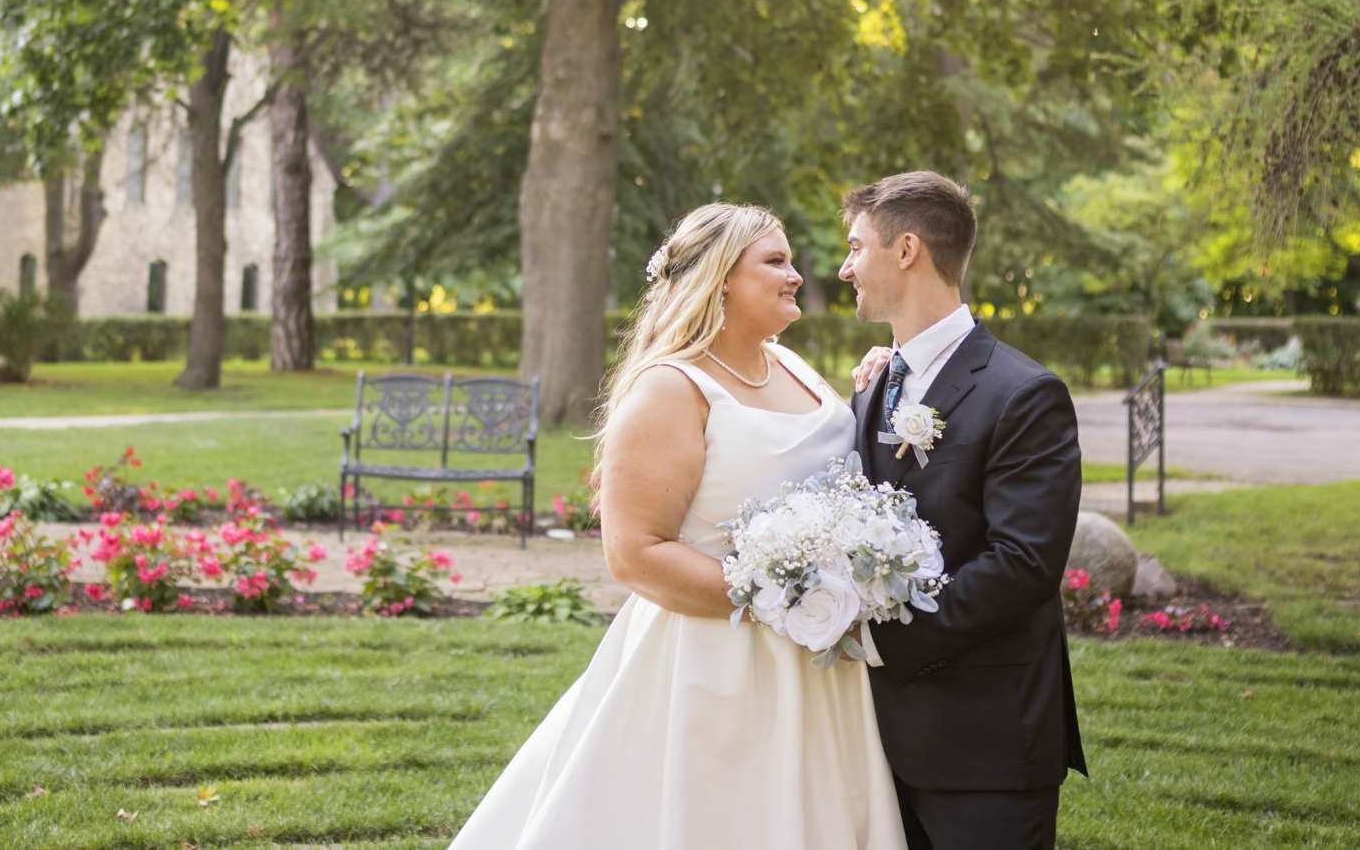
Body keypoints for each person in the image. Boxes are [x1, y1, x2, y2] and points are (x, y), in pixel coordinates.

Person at [450, 202, 906, 849]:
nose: (797, 274)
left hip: (821, 664)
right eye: (775, 261)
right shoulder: (671, 387)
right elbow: (635, 552)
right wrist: (778, 597)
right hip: (711, 665)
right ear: (721, 279)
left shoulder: (793, 366)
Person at [838, 171, 1088, 849]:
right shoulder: (874, 386)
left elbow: (1022, 562)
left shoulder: (1024, 393)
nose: (844, 266)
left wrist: (881, 643)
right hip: (874, 743)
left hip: (988, 745)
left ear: (908, 248)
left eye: (857, 246)